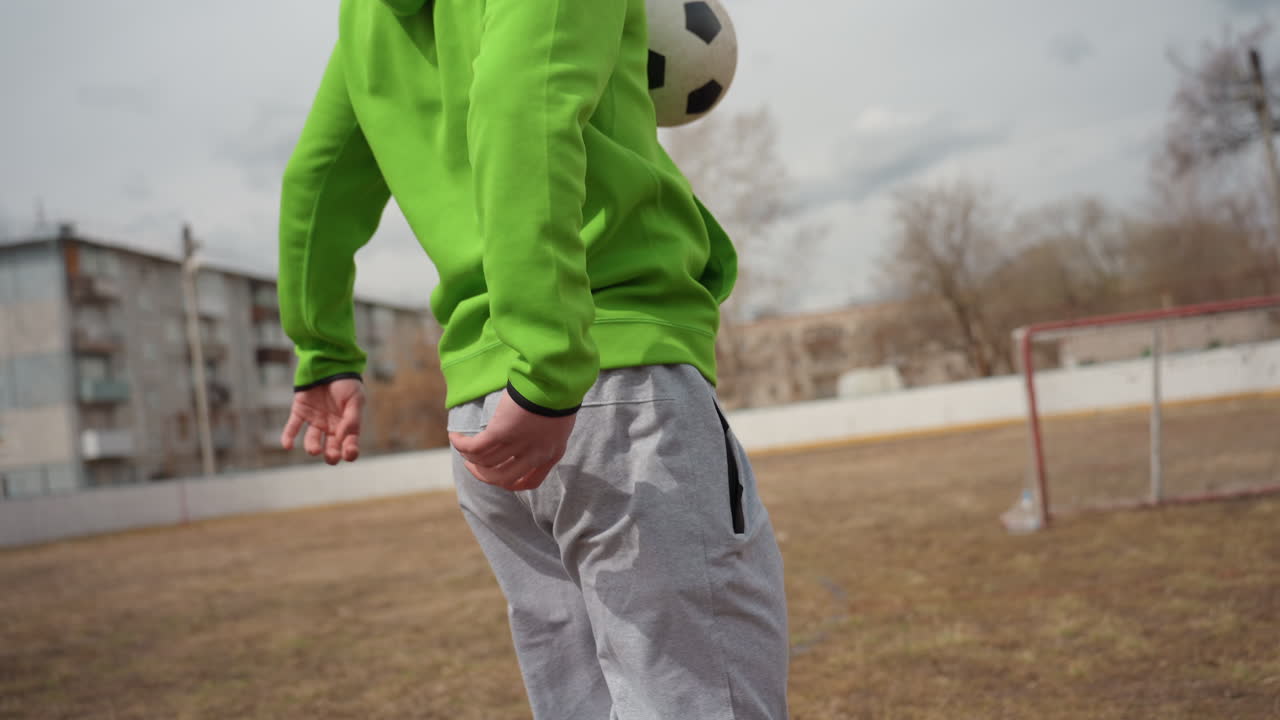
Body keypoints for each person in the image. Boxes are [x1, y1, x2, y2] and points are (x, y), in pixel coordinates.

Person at [277, 1, 789, 717]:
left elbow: (319, 176)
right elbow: (521, 105)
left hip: (487, 410)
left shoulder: (368, 16)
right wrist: (549, 368)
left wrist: (324, 349)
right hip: (597, 378)